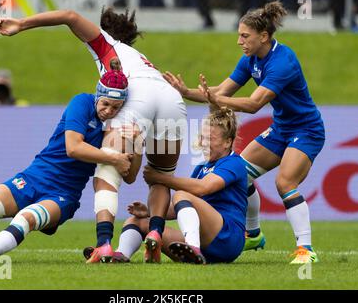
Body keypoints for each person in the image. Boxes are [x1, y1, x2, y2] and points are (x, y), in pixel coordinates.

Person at [0, 8, 187, 263]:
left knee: (107, 169)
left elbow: (70, 16)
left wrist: (21, 23)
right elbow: (132, 175)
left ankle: (104, 243)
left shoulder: (107, 48)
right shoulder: (140, 57)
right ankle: (155, 230)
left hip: (137, 95)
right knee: (161, 176)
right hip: (171, 98)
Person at [164, 1, 325, 264]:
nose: (239, 41)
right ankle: (253, 234)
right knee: (241, 171)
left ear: (264, 36)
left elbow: (253, 104)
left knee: (284, 183)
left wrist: (215, 99)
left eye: (244, 36)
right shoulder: (250, 59)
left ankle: (305, 249)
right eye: (239, 35)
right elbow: (220, 92)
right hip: (282, 128)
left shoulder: (283, 61)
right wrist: (186, 92)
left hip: (306, 130)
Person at [0, 65, 133, 263]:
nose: (109, 111)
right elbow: (73, 148)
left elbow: (129, 173)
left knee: (26, 219)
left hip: (63, 194)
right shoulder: (82, 102)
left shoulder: (120, 125)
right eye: (105, 104)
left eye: (115, 107)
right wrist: (113, 158)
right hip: (34, 177)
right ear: (97, 96)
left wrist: (132, 145)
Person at [102, 109, 248, 264]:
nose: (204, 143)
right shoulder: (201, 168)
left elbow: (203, 187)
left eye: (210, 139)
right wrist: (149, 211)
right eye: (202, 138)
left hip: (228, 238)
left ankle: (192, 247)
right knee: (137, 221)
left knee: (181, 194)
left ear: (228, 142)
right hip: (206, 244)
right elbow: (182, 206)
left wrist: (161, 178)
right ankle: (120, 255)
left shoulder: (234, 163)